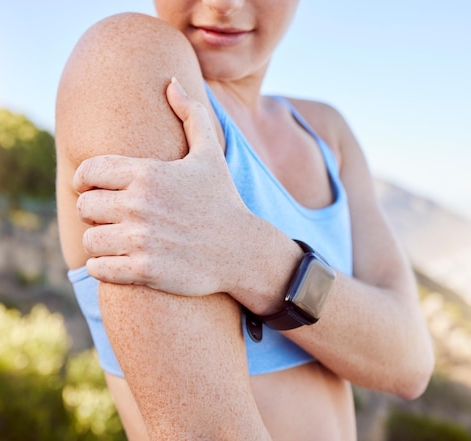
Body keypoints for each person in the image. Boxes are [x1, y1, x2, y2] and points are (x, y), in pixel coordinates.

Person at [55, 1, 434, 439]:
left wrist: (256, 259)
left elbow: (410, 362)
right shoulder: (129, 60)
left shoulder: (327, 133)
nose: (223, 5)